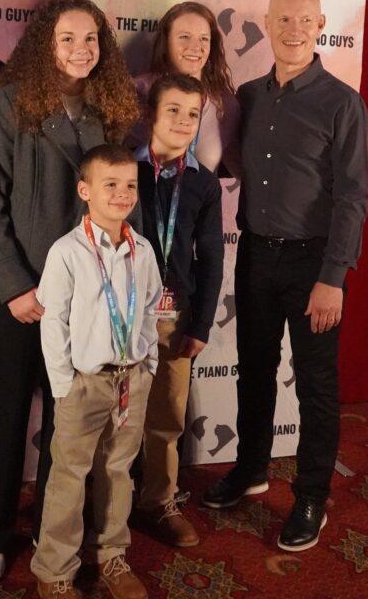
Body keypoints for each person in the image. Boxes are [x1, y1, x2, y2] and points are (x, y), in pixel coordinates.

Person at [0, 0, 138, 581]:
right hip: (23, 296)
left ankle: (52, 530)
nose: (80, 49)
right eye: (67, 38)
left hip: (84, 301)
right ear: (46, 43)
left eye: (90, 38)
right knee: (7, 413)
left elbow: (117, 203)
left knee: (69, 425)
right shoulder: (13, 103)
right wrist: (16, 287)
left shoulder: (110, 110)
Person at [201, 0, 368, 553]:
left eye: (303, 20)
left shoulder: (343, 103)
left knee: (317, 385)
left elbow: (352, 198)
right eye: (282, 21)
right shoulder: (249, 96)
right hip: (255, 253)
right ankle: (251, 469)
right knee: (253, 368)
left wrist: (333, 277)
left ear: (320, 24)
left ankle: (312, 497)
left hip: (314, 263)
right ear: (266, 26)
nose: (293, 30)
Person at [32, 144, 162, 599]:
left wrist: (147, 363)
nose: (123, 193)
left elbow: (148, 309)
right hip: (84, 384)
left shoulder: (143, 250)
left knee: (119, 470)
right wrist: (64, 385)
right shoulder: (66, 252)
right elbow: (53, 321)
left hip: (131, 380)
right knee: (69, 474)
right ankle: (55, 569)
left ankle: (111, 555)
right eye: (111, 184)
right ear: (85, 190)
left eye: (130, 184)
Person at [133, 75, 223, 548]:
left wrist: (202, 324)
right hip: (121, 313)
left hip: (174, 316)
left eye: (193, 114)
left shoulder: (203, 185)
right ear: (151, 113)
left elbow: (210, 257)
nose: (184, 122)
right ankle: (103, 506)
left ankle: (158, 501)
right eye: (173, 110)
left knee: (166, 416)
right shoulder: (121, 169)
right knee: (112, 415)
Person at [128, 2, 241, 177]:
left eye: (203, 38)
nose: (195, 46)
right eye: (184, 37)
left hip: (199, 204)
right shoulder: (138, 92)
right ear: (166, 42)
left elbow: (242, 169)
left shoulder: (226, 105)